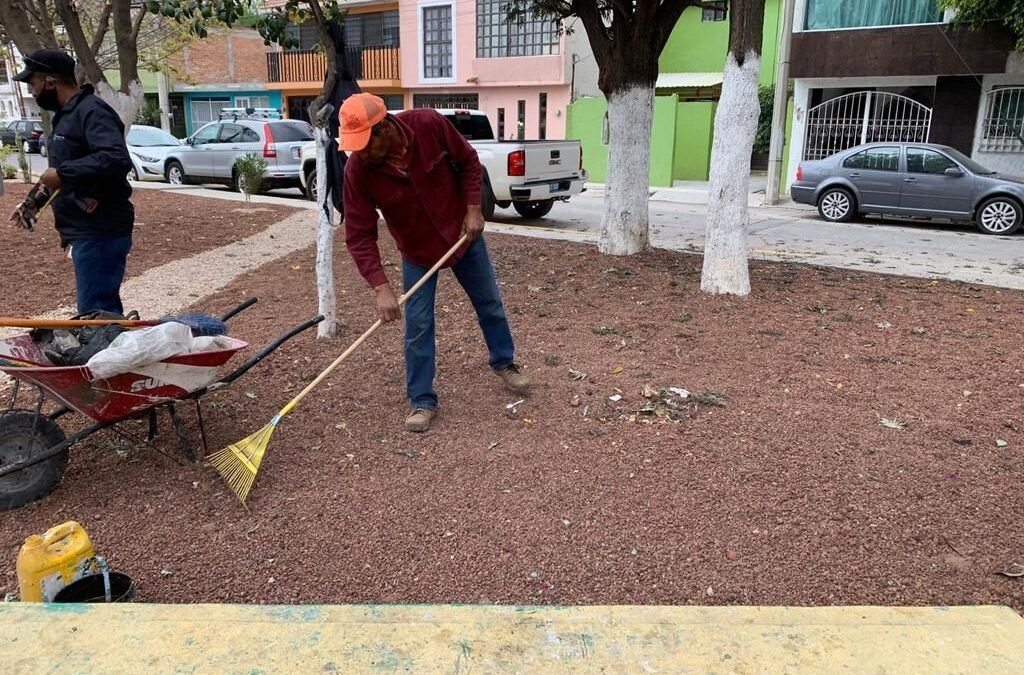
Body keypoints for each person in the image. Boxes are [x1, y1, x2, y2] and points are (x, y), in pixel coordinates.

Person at [340, 93, 529, 433]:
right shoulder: (358, 170)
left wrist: (474, 208)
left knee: (490, 304)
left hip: (462, 235)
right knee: (419, 326)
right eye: (355, 145)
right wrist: (380, 288)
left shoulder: (428, 124)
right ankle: (422, 400)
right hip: (417, 252)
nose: (361, 152)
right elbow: (358, 234)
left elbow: (470, 162)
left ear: (385, 127)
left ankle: (505, 362)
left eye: (366, 143)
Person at [7, 49, 134, 315]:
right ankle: (106, 349)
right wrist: (33, 203)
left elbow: (115, 158)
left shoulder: (91, 111)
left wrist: (63, 173)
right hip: (84, 229)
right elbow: (63, 173)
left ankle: (106, 353)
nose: (32, 91)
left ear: (51, 81)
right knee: (96, 309)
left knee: (96, 312)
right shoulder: (66, 116)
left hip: (101, 229)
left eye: (33, 83)